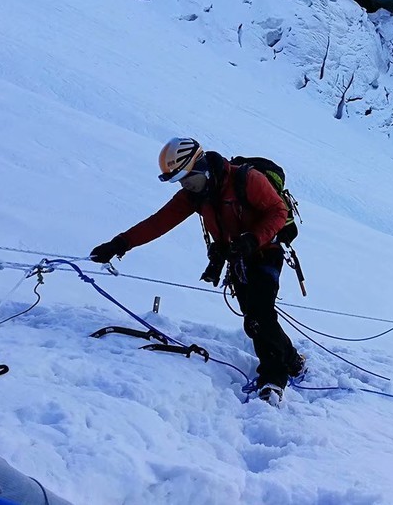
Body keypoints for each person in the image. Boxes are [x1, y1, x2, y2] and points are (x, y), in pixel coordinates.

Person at [89, 138, 304, 406]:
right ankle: (293, 360)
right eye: (178, 180)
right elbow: (159, 222)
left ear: (200, 166)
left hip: (264, 252)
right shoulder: (196, 194)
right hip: (236, 256)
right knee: (253, 317)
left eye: (185, 177)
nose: (183, 184)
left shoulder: (247, 180)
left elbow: (278, 211)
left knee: (260, 316)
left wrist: (253, 238)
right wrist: (120, 243)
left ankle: (274, 377)